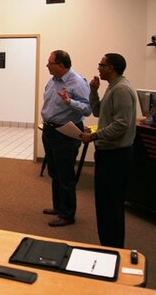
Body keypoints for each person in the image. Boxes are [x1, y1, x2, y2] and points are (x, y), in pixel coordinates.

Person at [81, 53, 136, 248]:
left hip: (115, 156)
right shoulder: (112, 87)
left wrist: (94, 136)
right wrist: (93, 91)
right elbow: (98, 112)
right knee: (104, 204)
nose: (98, 68)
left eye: (101, 65)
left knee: (111, 205)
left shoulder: (121, 90)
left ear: (110, 68)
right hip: (108, 153)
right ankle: (108, 245)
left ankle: (114, 249)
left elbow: (121, 124)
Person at [40, 50, 91, 227]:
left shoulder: (77, 82)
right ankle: (59, 207)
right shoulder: (53, 80)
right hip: (50, 130)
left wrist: (70, 102)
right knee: (54, 172)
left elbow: (87, 109)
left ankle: (68, 215)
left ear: (61, 65)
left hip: (66, 132)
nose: (47, 65)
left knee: (66, 174)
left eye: (50, 63)